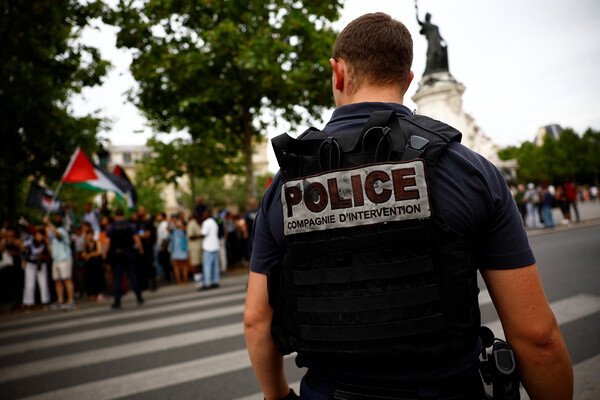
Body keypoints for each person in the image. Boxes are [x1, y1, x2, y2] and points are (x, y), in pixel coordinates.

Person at [244, 13, 572, 400]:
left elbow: (256, 321)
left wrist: (278, 396)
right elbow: (537, 337)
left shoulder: (286, 184)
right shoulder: (469, 171)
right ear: (408, 80)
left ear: (338, 73)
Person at [104, 208, 144, 309]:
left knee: (118, 278)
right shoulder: (130, 226)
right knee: (133, 275)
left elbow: (107, 242)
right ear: (123, 215)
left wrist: (105, 254)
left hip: (117, 255)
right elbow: (137, 239)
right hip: (129, 253)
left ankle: (117, 300)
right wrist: (140, 249)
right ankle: (139, 296)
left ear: (115, 216)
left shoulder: (111, 227)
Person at [45, 215, 76, 311]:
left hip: (65, 258)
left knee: (67, 279)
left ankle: (71, 301)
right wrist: (47, 242)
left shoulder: (62, 231)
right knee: (57, 281)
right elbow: (50, 251)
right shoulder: (50, 235)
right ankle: (60, 300)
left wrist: (48, 223)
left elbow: (58, 234)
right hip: (56, 260)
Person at [21, 229, 51, 309]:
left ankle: (45, 300)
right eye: (37, 235)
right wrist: (23, 262)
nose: (39, 237)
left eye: (40, 235)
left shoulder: (45, 243)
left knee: (43, 282)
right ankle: (28, 302)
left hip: (41, 264)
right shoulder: (30, 242)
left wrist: (42, 256)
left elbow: (48, 256)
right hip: (30, 264)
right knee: (29, 283)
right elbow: (23, 251)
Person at [81, 229, 105, 302]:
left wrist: (90, 255)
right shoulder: (85, 244)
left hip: (96, 264)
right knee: (90, 279)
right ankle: (92, 294)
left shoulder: (96, 242)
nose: (89, 236)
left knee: (98, 278)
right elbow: (83, 254)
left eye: (90, 234)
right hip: (89, 265)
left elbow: (99, 252)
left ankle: (99, 293)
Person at [199, 209, 220, 289]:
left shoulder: (206, 223)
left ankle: (207, 283)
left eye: (204, 214)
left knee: (207, 266)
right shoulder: (214, 222)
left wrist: (195, 236)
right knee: (215, 266)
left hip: (208, 247)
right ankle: (216, 282)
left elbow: (203, 234)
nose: (203, 215)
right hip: (215, 246)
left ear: (207, 214)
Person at [170, 216, 189, 284]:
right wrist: (172, 222)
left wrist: (181, 226)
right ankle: (178, 279)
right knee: (176, 265)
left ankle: (185, 278)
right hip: (175, 248)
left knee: (184, 264)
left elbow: (186, 231)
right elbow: (168, 228)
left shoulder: (183, 228)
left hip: (183, 248)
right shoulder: (174, 229)